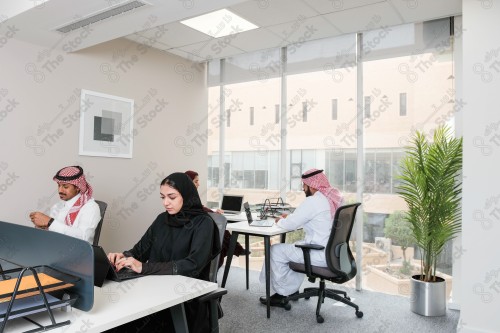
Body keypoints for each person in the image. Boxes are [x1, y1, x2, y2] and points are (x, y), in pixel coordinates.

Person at [105, 172, 221, 333]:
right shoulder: (162, 220)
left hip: (185, 299)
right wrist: (123, 257)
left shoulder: (203, 223)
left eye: (172, 197)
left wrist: (144, 268)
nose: (166, 203)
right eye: (162, 197)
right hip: (154, 292)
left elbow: (192, 266)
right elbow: (138, 251)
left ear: (187, 195)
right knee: (114, 322)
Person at [258, 168, 343, 307]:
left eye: (304, 185)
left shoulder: (313, 201)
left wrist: (280, 220)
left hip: (318, 253)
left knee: (275, 251)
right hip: (334, 253)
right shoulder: (330, 199)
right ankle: (291, 290)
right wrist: (291, 218)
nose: (303, 188)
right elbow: (308, 218)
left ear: (311, 185)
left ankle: (281, 295)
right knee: (295, 247)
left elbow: (290, 225)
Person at [185, 170, 247, 268]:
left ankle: (236, 247)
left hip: (199, 225)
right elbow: (198, 209)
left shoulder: (190, 195)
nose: (199, 184)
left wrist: (213, 212)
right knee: (220, 236)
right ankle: (236, 247)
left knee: (221, 233)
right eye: (196, 181)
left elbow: (200, 207)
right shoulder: (185, 197)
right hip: (196, 228)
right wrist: (212, 213)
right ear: (189, 182)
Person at [29, 165, 101, 243]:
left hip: (78, 253)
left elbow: (84, 237)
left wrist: (50, 222)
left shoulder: (91, 207)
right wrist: (42, 227)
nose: (60, 190)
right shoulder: (57, 206)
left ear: (77, 187)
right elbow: (53, 232)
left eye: (65, 187)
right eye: (59, 186)